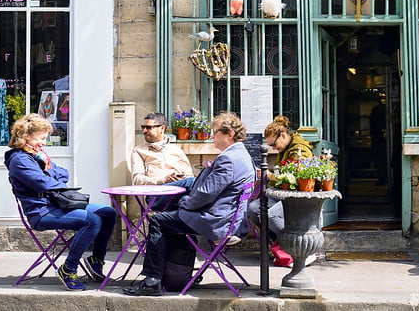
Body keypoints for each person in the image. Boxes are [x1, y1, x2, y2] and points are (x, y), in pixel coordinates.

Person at [123, 111, 255, 296]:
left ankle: (152, 282)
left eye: (215, 132)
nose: (212, 136)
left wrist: (185, 203)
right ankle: (176, 276)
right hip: (228, 218)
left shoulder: (228, 159)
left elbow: (205, 194)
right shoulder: (242, 155)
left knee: (158, 221)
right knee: (171, 218)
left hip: (217, 222)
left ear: (230, 134)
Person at [5, 113, 117, 291]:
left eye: (45, 139)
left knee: (108, 213)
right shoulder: (19, 160)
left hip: (57, 205)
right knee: (92, 221)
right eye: (41, 138)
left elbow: (64, 174)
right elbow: (45, 184)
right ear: (26, 136)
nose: (44, 143)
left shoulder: (37, 156)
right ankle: (68, 270)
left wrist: (48, 170)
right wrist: (49, 171)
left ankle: (96, 260)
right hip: (41, 213)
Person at [247, 115, 314, 267]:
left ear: (283, 135)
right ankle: (281, 246)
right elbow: (282, 172)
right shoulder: (285, 149)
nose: (272, 148)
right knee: (253, 209)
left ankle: (301, 248)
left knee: (271, 216)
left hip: (296, 196)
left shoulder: (299, 150)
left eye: (273, 144)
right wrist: (268, 174)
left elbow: (296, 179)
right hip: (282, 193)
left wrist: (269, 176)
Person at [130, 112, 195, 209]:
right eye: (143, 127)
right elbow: (137, 181)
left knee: (188, 196)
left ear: (162, 128)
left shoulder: (176, 150)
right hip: (156, 195)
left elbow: (189, 175)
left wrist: (180, 178)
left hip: (179, 192)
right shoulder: (139, 151)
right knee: (192, 182)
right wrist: (163, 180)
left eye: (149, 127)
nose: (144, 131)